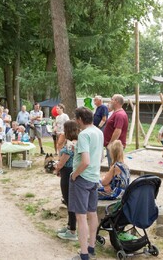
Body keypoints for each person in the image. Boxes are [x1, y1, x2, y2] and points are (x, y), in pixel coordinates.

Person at [69, 107, 104, 260]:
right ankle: (91, 246)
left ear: (79, 120)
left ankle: (84, 254)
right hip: (94, 178)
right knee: (92, 213)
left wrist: (74, 175)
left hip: (82, 179)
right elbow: (99, 155)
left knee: (81, 217)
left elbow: (85, 162)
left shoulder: (84, 134)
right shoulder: (98, 132)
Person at [55, 120, 79, 241]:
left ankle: (72, 230)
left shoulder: (70, 144)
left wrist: (57, 167)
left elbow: (62, 162)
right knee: (69, 200)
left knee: (69, 201)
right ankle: (70, 226)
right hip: (69, 171)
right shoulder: (75, 142)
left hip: (67, 172)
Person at [103, 94, 129, 167]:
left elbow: (118, 130)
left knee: (113, 167)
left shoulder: (119, 114)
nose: (110, 101)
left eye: (112, 99)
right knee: (113, 166)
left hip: (115, 147)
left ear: (116, 101)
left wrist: (110, 144)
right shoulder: (116, 113)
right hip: (113, 145)